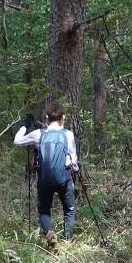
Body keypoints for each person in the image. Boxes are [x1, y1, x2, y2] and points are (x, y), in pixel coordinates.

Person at [14, 102, 79, 245]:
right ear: (63, 117)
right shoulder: (68, 134)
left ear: (46, 117)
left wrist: (25, 124)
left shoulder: (39, 134)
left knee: (44, 211)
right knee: (69, 210)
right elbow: (74, 159)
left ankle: (50, 233)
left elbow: (17, 141)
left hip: (44, 179)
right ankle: (67, 241)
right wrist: (75, 169)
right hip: (64, 178)